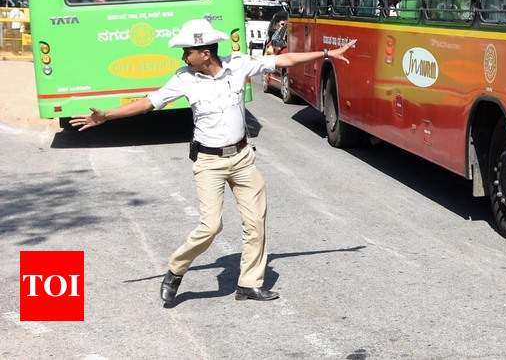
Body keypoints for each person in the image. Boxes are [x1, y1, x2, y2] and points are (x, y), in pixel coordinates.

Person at [71, 19, 356, 305]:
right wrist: (106, 115)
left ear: (205, 53)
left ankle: (249, 283)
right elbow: (148, 103)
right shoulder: (184, 78)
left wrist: (327, 54)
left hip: (243, 158)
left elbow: (284, 58)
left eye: (187, 51)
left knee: (256, 222)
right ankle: (175, 270)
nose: (183, 56)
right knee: (210, 226)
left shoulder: (239, 65)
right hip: (209, 162)